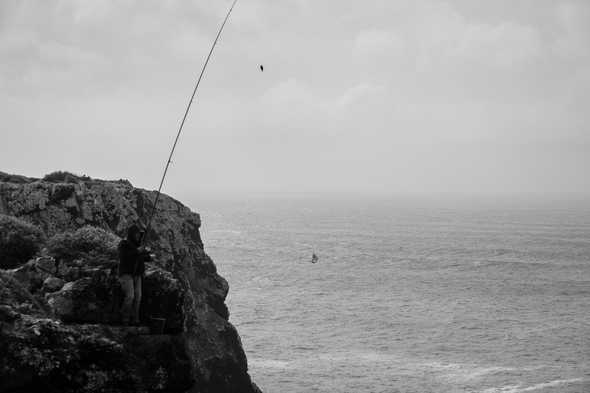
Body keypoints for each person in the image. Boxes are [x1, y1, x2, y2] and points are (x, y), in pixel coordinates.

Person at [118, 224, 151, 326]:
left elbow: (143, 257)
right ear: (132, 234)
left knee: (138, 297)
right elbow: (125, 256)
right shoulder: (124, 244)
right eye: (136, 234)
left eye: (138, 234)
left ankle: (135, 319)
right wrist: (138, 251)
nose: (137, 236)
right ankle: (125, 318)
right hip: (126, 274)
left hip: (137, 275)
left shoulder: (137, 246)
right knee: (130, 296)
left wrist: (148, 256)